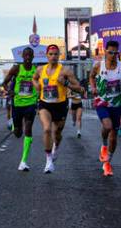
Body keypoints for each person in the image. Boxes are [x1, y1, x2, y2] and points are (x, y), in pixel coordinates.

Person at [34, 43, 84, 174]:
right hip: (45, 103)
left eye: (56, 54)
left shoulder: (65, 71)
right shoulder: (40, 70)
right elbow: (34, 79)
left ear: (59, 55)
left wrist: (66, 83)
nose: (53, 56)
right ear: (46, 55)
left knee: (57, 133)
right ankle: (48, 160)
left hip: (60, 104)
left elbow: (78, 87)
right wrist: (36, 86)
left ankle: (56, 147)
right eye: (51, 54)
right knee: (46, 129)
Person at [90, 40, 121, 177]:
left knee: (114, 137)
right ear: (105, 51)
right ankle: (103, 145)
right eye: (110, 52)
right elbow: (91, 76)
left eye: (115, 52)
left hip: (117, 104)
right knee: (107, 126)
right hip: (102, 102)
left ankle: (108, 163)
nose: (113, 55)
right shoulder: (99, 66)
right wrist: (93, 87)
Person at [4, 47, 40, 171]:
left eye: (30, 55)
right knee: (18, 133)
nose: (28, 57)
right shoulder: (16, 69)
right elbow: (4, 82)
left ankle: (23, 161)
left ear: (33, 57)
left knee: (28, 128)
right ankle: (14, 126)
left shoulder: (36, 71)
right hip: (18, 104)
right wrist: (9, 91)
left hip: (31, 103)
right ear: (22, 57)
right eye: (26, 55)